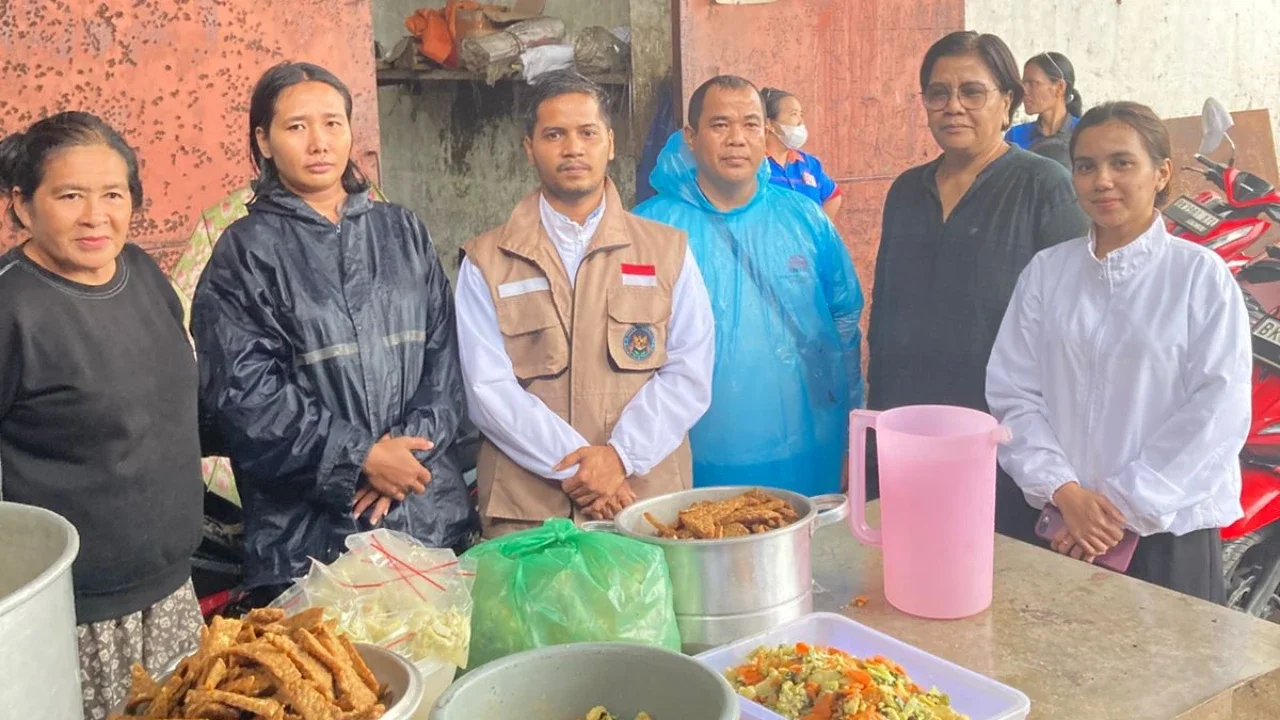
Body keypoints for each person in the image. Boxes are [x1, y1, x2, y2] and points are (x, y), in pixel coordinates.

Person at [191, 62, 474, 606]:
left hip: (424, 511)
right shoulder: (245, 252)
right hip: (307, 538)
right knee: (337, 685)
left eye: (333, 123)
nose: (319, 142)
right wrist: (360, 459)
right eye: (296, 127)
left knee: (439, 675)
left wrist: (404, 459)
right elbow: (244, 396)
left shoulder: (403, 230)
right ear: (264, 141)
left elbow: (443, 359)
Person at [986, 102, 1250, 601]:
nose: (1102, 180)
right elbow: (1013, 394)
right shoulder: (1047, 272)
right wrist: (1063, 491)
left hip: (1166, 540)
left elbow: (1217, 413)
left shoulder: (1198, 276)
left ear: (1161, 173)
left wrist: (1116, 511)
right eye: (1085, 166)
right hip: (1058, 525)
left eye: (1122, 163)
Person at [0, 112, 204, 719]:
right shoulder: (13, 307)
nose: (96, 217)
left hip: (169, 592)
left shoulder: (140, 272)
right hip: (75, 612)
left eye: (113, 195)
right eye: (69, 196)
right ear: (23, 204)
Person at [455, 70, 715, 538]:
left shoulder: (667, 251)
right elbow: (486, 389)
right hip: (530, 514)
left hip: (643, 503)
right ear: (529, 147)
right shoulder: (486, 261)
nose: (572, 148)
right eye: (554, 134)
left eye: (587, 133)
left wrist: (620, 457)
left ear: (610, 144)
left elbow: (689, 372)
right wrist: (579, 469)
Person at [867, 31, 1088, 539]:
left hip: (1001, 434)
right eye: (938, 93)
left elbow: (1073, 320)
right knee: (906, 562)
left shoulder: (1041, 185)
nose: (954, 107)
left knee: (991, 574)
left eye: (972, 91)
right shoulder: (906, 191)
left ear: (1007, 100)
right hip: (908, 425)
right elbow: (885, 312)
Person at [635, 75, 864, 497]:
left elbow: (845, 321)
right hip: (689, 458)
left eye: (751, 124)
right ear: (691, 136)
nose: (737, 139)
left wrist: (851, 438)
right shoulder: (650, 228)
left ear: (767, 134)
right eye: (720, 125)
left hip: (805, 451)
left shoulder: (805, 219)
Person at [761, 87, 843, 222]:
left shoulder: (809, 164)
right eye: (793, 114)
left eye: (801, 115)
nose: (800, 121)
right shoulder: (755, 165)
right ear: (769, 123)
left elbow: (833, 195)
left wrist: (820, 230)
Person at [1006, 51, 1082, 164]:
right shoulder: (1015, 136)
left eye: (1032, 83)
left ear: (1059, 87)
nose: (1024, 91)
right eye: (1023, 84)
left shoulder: (1084, 134)